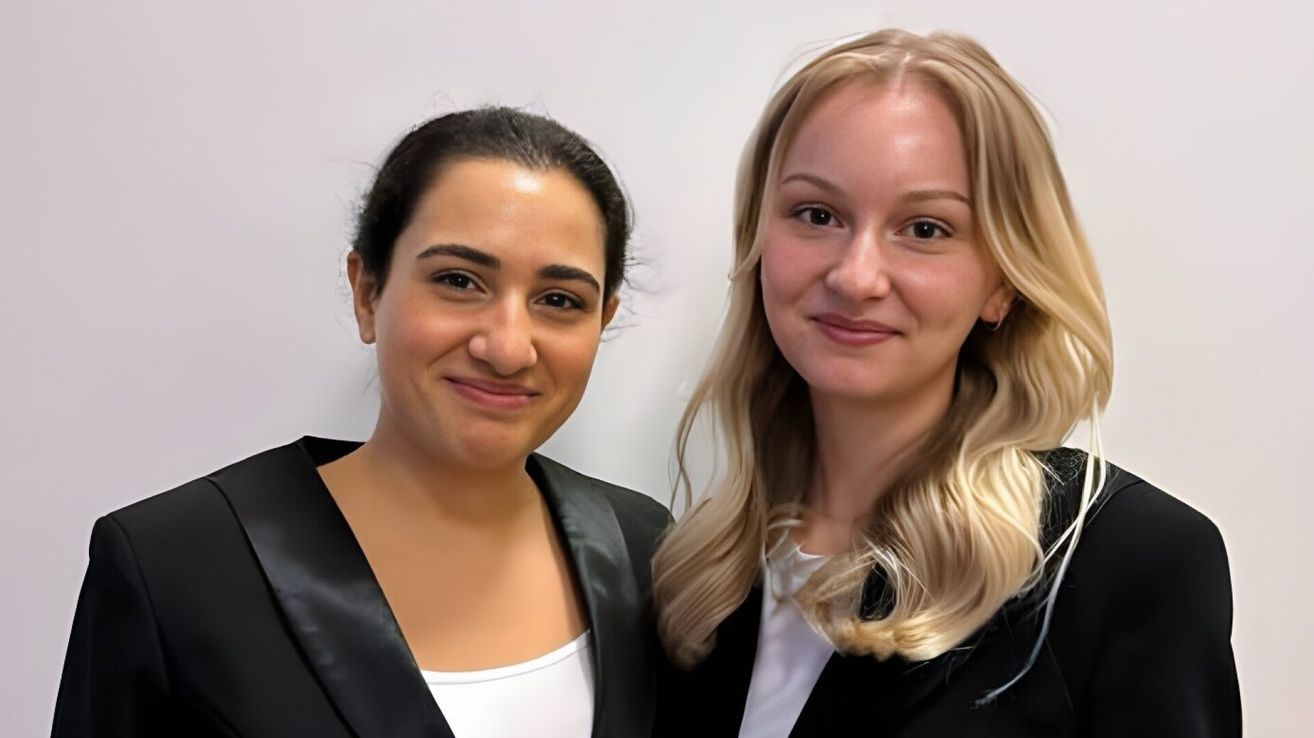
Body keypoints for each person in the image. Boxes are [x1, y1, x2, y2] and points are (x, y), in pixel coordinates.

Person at [652, 29, 1240, 737]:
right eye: (817, 215)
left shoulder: (1126, 562)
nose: (856, 277)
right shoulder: (697, 574)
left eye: (925, 229)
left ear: (1002, 283)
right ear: (758, 242)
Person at [52, 107, 669, 738]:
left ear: (602, 319)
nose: (508, 348)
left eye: (560, 300)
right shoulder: (173, 566)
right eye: (459, 281)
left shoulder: (644, 550)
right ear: (367, 292)